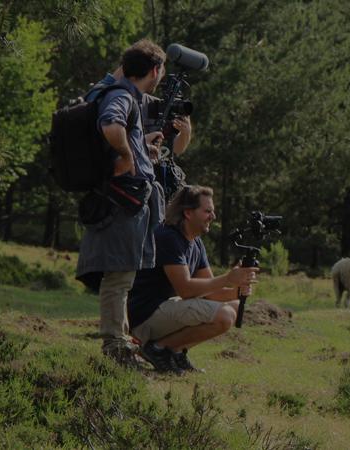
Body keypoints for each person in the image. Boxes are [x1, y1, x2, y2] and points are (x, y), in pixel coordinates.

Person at [75, 39, 169, 368]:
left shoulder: (116, 91)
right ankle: (115, 347)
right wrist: (129, 155)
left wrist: (140, 147)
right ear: (155, 71)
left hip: (119, 200)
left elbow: (118, 131)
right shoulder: (122, 96)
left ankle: (121, 342)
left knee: (123, 276)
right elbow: (110, 125)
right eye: (161, 70)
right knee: (118, 278)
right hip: (122, 202)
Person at [128, 185, 258, 374]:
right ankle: (156, 349)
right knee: (225, 315)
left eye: (213, 211)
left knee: (236, 306)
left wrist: (237, 289)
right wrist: (228, 278)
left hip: (165, 311)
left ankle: (175, 352)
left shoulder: (195, 242)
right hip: (144, 316)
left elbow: (211, 293)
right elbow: (186, 290)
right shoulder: (169, 237)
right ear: (188, 213)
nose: (213, 216)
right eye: (207, 211)